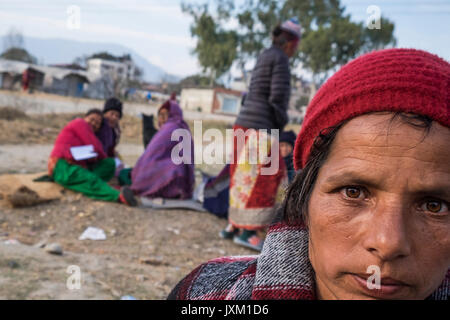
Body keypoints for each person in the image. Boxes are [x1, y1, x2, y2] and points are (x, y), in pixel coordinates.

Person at [168, 48, 450, 300]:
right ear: (304, 197)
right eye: (353, 191)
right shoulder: (204, 295)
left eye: (434, 206)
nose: (388, 243)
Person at [220, 17, 302, 251]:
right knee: (263, 179)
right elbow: (277, 97)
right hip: (261, 128)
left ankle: (232, 226)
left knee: (240, 179)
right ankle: (249, 233)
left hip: (243, 124)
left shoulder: (265, 55)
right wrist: (281, 122)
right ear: (292, 43)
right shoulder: (281, 60)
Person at [48, 109, 137, 206]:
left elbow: (97, 153)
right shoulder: (80, 123)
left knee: (109, 163)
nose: (94, 123)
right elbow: (96, 147)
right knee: (90, 178)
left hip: (78, 166)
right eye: (92, 119)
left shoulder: (94, 133)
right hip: (63, 165)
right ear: (85, 118)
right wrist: (99, 154)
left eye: (97, 123)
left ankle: (100, 186)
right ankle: (119, 196)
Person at [130, 100, 195, 199]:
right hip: (175, 174)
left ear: (174, 114)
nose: (163, 118)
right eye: (160, 115)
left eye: (167, 114)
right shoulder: (181, 128)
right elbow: (153, 153)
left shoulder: (172, 127)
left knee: (175, 167)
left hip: (173, 172)